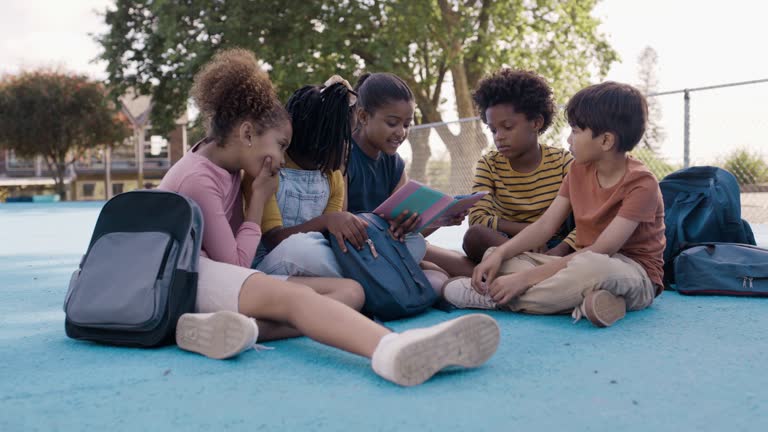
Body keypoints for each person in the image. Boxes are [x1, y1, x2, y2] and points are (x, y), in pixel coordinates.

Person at [158, 48, 500, 386]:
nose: (281, 155)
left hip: (207, 275)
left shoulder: (232, 168)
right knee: (300, 302)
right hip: (181, 281)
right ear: (247, 134)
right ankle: (391, 348)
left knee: (352, 291)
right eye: (279, 145)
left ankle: (245, 329)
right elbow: (236, 262)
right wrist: (259, 199)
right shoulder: (204, 177)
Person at [444, 81, 665, 328]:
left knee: (592, 269)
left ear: (605, 141)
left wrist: (524, 279)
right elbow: (545, 225)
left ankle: (496, 299)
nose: (568, 139)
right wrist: (503, 254)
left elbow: (602, 249)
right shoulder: (578, 170)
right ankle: (596, 302)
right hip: (578, 261)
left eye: (575, 131)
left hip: (632, 271)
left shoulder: (642, 183)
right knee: (496, 256)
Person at [346, 72, 475, 294]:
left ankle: (513, 286)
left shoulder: (394, 163)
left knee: (446, 269)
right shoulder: (344, 156)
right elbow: (342, 222)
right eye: (392, 123)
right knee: (438, 274)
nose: (401, 133)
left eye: (407, 124)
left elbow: (405, 232)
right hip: (359, 250)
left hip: (393, 245)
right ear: (363, 116)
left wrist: (440, 219)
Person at [462, 69, 577, 263]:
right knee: (474, 236)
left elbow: (585, 219)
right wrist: (530, 235)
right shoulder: (488, 165)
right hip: (506, 244)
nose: (499, 136)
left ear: (536, 123)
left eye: (507, 127)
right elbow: (477, 218)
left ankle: (531, 270)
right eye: (493, 129)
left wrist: (558, 249)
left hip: (554, 246)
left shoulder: (563, 162)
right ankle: (539, 270)